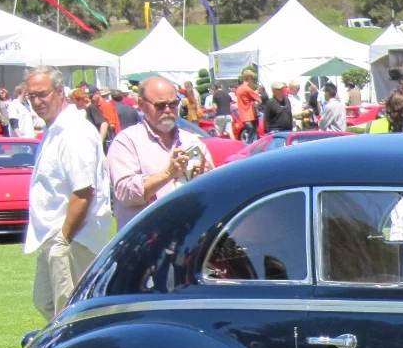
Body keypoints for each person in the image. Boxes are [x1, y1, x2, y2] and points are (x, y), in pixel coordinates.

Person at [23, 66, 114, 321]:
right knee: (46, 301)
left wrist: (63, 239)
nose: (37, 102)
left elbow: (83, 190)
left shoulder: (74, 131)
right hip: (54, 236)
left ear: (60, 92)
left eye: (43, 94)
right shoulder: (54, 129)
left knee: (71, 315)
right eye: (32, 96)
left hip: (73, 237)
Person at [106, 75, 215, 230]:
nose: (168, 110)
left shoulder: (191, 141)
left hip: (188, 234)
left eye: (173, 104)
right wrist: (168, 174)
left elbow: (211, 193)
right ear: (141, 104)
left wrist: (207, 177)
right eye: (160, 105)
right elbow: (125, 193)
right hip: (146, 237)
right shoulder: (126, 142)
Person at [234, 70, 260, 142]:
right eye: (253, 79)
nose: (253, 81)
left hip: (243, 115)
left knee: (250, 134)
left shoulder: (239, 89)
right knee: (252, 135)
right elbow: (259, 100)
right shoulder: (248, 89)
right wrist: (256, 105)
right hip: (251, 115)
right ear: (249, 78)